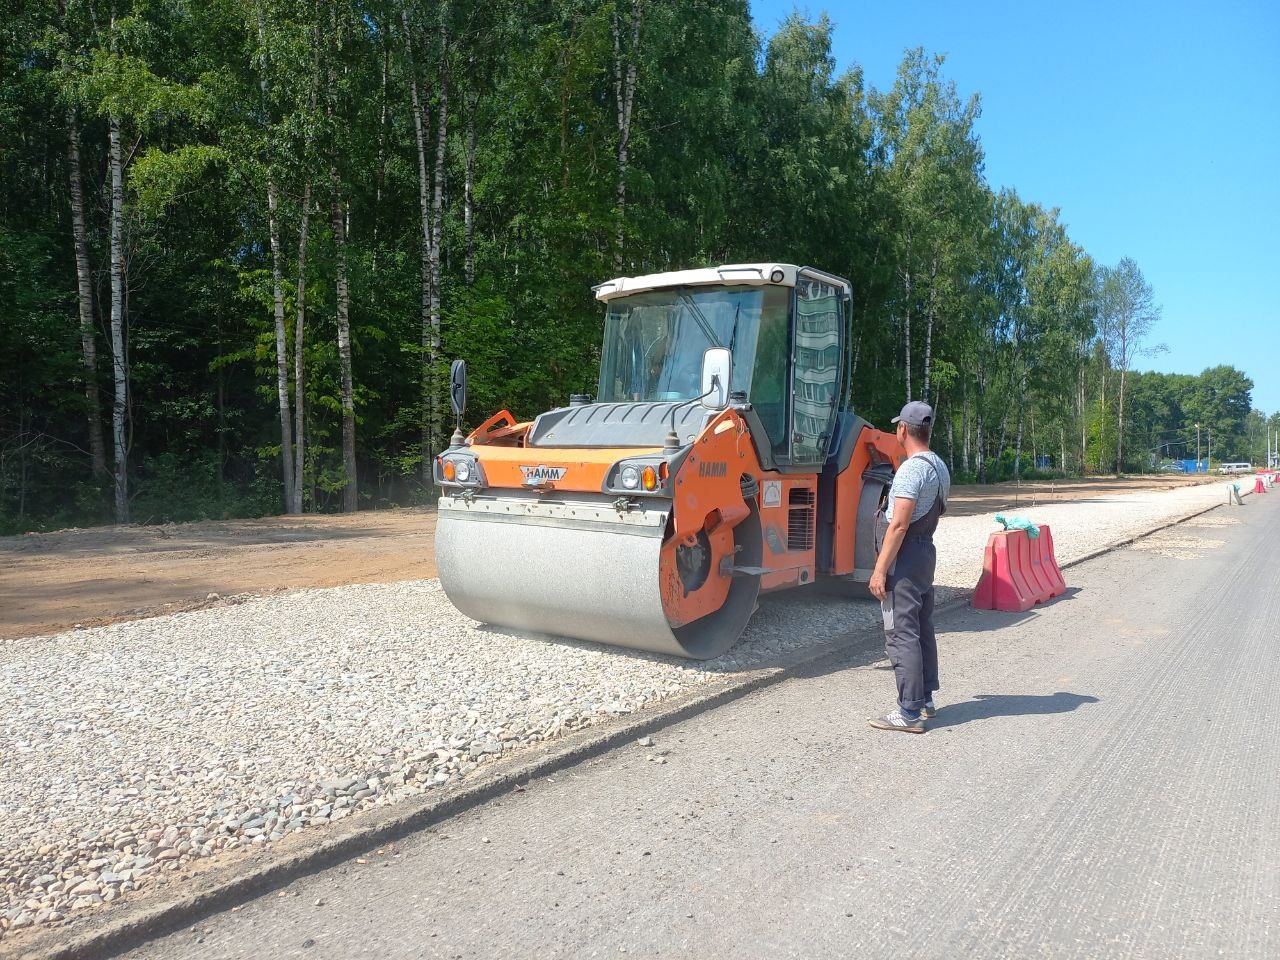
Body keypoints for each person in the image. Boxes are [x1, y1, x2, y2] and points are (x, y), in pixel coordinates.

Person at [867, 400, 951, 734]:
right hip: (924, 551)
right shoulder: (939, 466)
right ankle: (926, 699)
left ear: (903, 429)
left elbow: (898, 525)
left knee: (902, 632)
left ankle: (909, 712)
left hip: (905, 555)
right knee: (921, 626)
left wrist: (879, 569)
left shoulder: (911, 469)